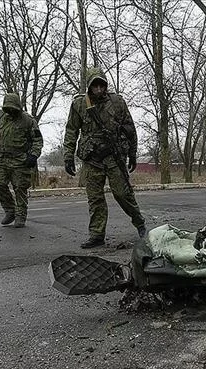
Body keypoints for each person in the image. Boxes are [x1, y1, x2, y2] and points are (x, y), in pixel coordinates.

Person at [63, 67, 146, 249]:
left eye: (102, 85)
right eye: (95, 86)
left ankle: (140, 223)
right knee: (95, 198)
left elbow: (129, 128)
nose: (99, 90)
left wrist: (132, 153)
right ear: (89, 87)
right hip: (92, 158)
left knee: (123, 194)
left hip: (113, 156)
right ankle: (97, 235)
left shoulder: (117, 102)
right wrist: (68, 156)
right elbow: (71, 130)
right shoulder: (79, 104)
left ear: (105, 85)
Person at [0, 93, 43, 228]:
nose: (10, 111)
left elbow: (37, 140)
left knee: (20, 188)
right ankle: (10, 210)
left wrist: (33, 155)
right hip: (1, 158)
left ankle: (21, 215)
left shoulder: (28, 120)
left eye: (13, 108)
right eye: (7, 108)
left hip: (20, 160)